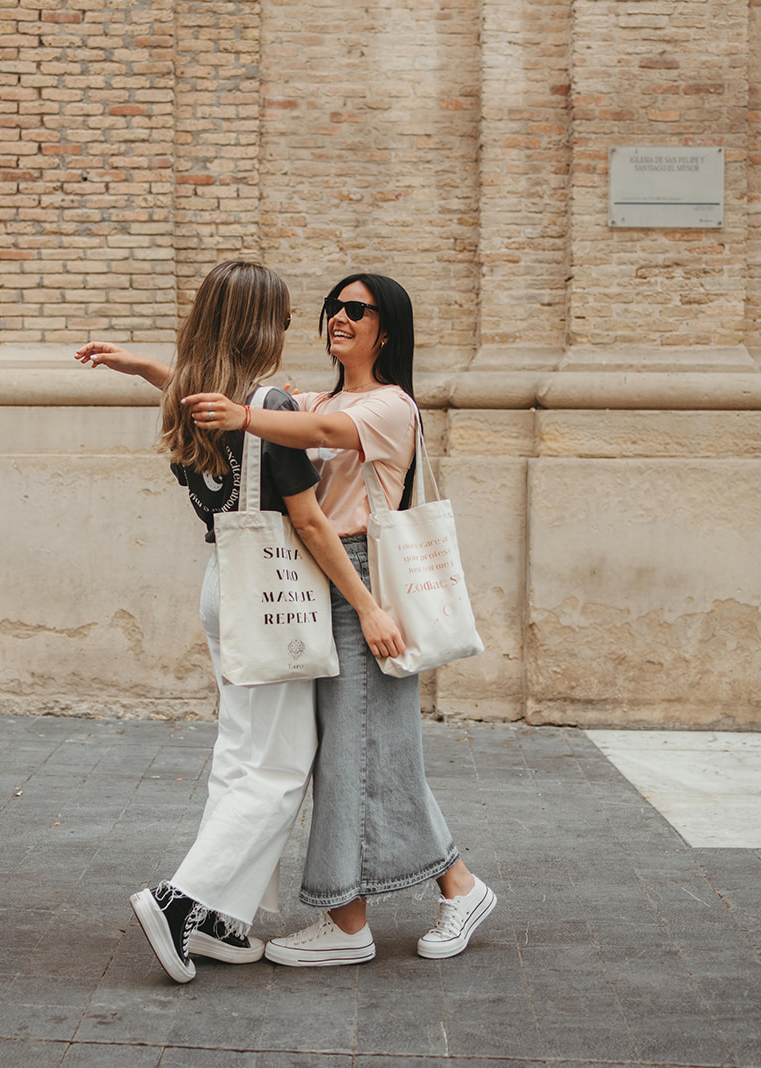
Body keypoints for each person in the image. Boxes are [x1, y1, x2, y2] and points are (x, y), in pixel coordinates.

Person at [75, 261, 405, 984]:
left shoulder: (197, 401)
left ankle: (221, 919)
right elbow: (311, 524)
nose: (290, 329)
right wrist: (369, 605)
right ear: (260, 327)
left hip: (224, 584)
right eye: (283, 319)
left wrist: (142, 368)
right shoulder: (266, 404)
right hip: (271, 594)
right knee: (277, 767)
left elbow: (202, 396)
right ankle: (180, 902)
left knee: (238, 757)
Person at [179, 273, 496, 966]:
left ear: (387, 330)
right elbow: (250, 404)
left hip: (363, 580)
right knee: (364, 748)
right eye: (334, 308)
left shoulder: (390, 406)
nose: (339, 318)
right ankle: (459, 887)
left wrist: (245, 419)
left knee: (356, 750)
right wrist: (148, 370)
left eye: (357, 309)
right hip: (322, 580)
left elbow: (314, 431)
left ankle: (349, 921)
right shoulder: (318, 397)